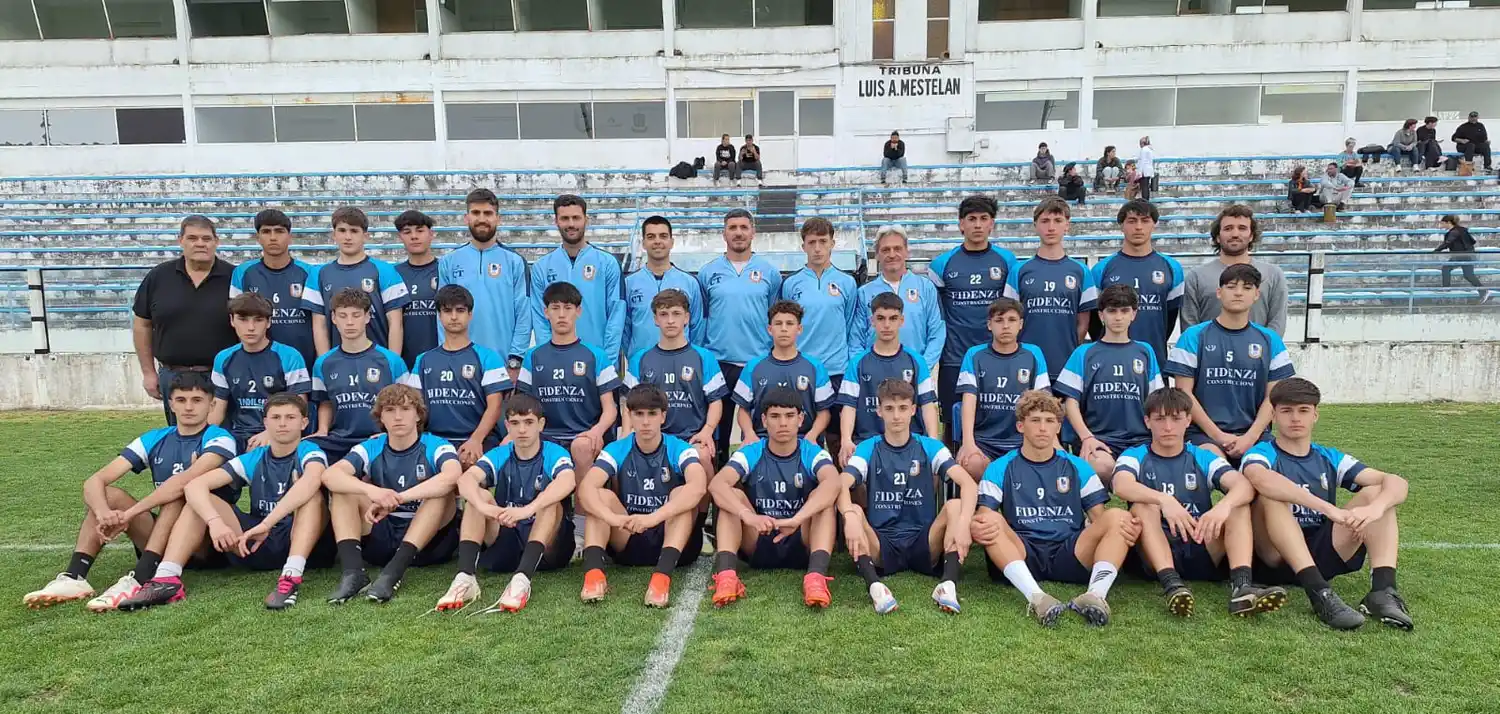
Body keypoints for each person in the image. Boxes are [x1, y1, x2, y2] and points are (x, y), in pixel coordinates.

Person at [22, 373, 237, 611]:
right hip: (163, 536)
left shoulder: (220, 438)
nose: (188, 407)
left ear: (212, 404)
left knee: (178, 497)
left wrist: (129, 515)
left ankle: (140, 578)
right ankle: (75, 577)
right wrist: (105, 513)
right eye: (181, 399)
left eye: (197, 400)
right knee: (110, 495)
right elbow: (95, 480)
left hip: (206, 541)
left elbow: (180, 484)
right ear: (170, 404)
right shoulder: (156, 438)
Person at [120, 393, 333, 610]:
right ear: (265, 422)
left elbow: (312, 479)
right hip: (254, 543)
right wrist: (215, 522)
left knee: (313, 497)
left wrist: (267, 523)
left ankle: (291, 577)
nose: (283, 423)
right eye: (276, 417)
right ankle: (167, 579)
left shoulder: (310, 451)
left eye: (290, 417)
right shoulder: (256, 457)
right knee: (200, 498)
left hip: (303, 543)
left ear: (304, 423)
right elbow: (194, 486)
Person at [1241, 378, 1413, 631]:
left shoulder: (1328, 457)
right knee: (1270, 495)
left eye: (1303, 410)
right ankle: (1319, 593)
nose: (1295, 418)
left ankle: (1383, 590)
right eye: (1286, 411)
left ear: (1315, 415)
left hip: (1321, 551)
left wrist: (1374, 508)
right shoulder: (1263, 452)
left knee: (1377, 492)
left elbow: (1396, 482)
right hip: (1272, 557)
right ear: (1274, 417)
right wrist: (1328, 508)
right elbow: (1259, 477)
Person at [1111, 387, 1287, 617]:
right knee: (1143, 506)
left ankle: (1241, 587)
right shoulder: (1135, 455)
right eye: (1160, 419)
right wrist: (1164, 500)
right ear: (1147, 421)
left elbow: (1243, 486)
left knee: (1237, 505)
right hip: (1151, 554)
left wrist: (1223, 507)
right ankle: (1172, 584)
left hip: (1199, 542)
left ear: (1188, 421)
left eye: (1176, 419)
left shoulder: (1202, 456)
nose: (1168, 427)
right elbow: (1120, 484)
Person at [974, 390, 1139, 626]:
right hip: (1023, 550)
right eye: (1035, 420)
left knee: (1118, 517)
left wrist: (1121, 530)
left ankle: (1095, 596)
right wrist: (978, 527)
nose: (1043, 428)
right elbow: (984, 518)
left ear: (1058, 427)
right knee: (989, 521)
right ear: (1020, 426)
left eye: (1050, 421)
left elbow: (1100, 519)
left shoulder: (1078, 467)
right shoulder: (1000, 467)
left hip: (1070, 552)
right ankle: (1037, 597)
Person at [839, 380, 977, 614]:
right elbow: (841, 483)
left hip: (923, 541)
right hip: (882, 544)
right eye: (890, 409)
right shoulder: (868, 447)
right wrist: (848, 516)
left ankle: (947, 585)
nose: (896, 416)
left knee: (954, 506)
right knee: (854, 510)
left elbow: (969, 485)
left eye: (903, 408)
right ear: (879, 411)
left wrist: (964, 524)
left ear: (913, 410)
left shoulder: (929, 446)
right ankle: (875, 587)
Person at [432, 394, 578, 614]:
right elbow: (465, 480)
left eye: (528, 422)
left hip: (548, 549)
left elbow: (568, 480)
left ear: (541, 424)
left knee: (551, 501)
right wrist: (485, 508)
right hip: (506, 539)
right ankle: (465, 577)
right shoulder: (501, 453)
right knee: (477, 496)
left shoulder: (554, 452)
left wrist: (528, 510)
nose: (522, 430)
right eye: (515, 423)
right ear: (507, 426)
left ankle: (522, 580)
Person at [321, 384, 465, 604]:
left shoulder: (436, 445)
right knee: (343, 490)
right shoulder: (372, 446)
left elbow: (453, 475)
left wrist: (398, 498)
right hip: (381, 532)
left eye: (405, 409)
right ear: (381, 417)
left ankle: (394, 572)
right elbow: (330, 475)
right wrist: (373, 491)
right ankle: (353, 573)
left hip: (429, 545)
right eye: (390, 410)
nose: (398, 417)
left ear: (418, 415)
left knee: (441, 493)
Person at [707, 387, 841, 608]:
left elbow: (834, 482)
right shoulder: (752, 451)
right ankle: (727, 576)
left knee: (823, 499)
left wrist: (797, 519)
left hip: (801, 537)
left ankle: (816, 577)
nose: (783, 423)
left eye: (789, 416)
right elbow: (717, 484)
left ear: (800, 420)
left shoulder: (811, 452)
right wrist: (749, 516)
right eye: (775, 416)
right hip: (759, 536)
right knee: (733, 495)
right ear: (764, 420)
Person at [577, 385, 709, 607]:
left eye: (652, 414)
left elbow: (698, 487)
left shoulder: (678, 447)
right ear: (629, 415)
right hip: (628, 535)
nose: (646, 422)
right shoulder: (616, 449)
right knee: (600, 495)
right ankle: (593, 575)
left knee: (681, 493)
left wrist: (653, 518)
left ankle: (661, 579)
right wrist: (613, 519)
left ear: (663, 417)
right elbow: (586, 488)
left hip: (674, 540)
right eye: (639, 414)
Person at [1167, 264, 1294, 463]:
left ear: (1256, 295)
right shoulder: (1193, 337)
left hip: (1255, 437)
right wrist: (1218, 436)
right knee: (1218, 468)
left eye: (1247, 287)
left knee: (1263, 481)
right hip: (1202, 436)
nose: (1238, 293)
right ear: (1219, 292)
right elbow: (1183, 393)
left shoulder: (1271, 341)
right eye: (1231, 286)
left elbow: (1274, 397)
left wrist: (1250, 438)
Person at [929, 195, 1019, 448]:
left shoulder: (1007, 262)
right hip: (955, 358)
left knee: (1002, 418)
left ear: (992, 224)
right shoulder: (941, 264)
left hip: (998, 357)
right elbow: (937, 315)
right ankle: (952, 480)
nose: (977, 225)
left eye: (983, 219)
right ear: (961, 224)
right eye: (971, 219)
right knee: (950, 421)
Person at [133, 215, 237, 424]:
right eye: (192, 238)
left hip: (222, 378)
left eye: (206, 238)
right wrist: (148, 373)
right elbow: (142, 324)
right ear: (180, 240)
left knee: (223, 441)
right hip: (173, 376)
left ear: (216, 242)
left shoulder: (235, 277)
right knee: (181, 440)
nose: (200, 243)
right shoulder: (158, 277)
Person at [1055, 284, 1163, 484]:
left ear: (1134, 314)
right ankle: (1096, 513)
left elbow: (1156, 402)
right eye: (1112, 311)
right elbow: (1070, 402)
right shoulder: (1084, 353)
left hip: (1140, 441)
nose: (1118, 317)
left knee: (1154, 474)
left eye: (1124, 311)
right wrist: (1087, 438)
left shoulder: (1145, 352)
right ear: (1101, 315)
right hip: (1098, 439)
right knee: (1102, 467)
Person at [698, 208, 784, 460]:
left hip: (756, 362)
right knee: (717, 435)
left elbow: (774, 316)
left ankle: (755, 486)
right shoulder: (707, 272)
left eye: (744, 227)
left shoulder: (770, 273)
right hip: (718, 362)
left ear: (753, 232)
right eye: (732, 228)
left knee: (758, 431)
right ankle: (715, 487)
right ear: (724, 233)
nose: (738, 233)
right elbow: (703, 316)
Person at [516, 282, 621, 481]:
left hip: (583, 435)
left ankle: (582, 512)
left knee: (581, 446)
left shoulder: (596, 355)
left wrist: (596, 431)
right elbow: (522, 406)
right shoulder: (533, 356)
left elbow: (610, 408)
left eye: (568, 308)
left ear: (578, 312)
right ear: (546, 312)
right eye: (555, 308)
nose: (562, 315)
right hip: (544, 435)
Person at [403, 285, 510, 469]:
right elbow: (413, 406)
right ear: (439, 315)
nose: (453, 317)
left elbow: (495, 406)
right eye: (447, 311)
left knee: (470, 478)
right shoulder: (424, 360)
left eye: (460, 311)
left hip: (476, 438)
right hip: (433, 440)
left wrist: (476, 439)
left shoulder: (488, 357)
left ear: (470, 315)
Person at [781, 218, 858, 457]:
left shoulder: (847, 282)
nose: (817, 248)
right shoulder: (791, 284)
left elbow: (849, 323)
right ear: (803, 246)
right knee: (803, 437)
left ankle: (841, 490)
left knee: (838, 439)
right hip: (802, 370)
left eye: (823, 241)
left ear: (832, 243)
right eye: (812, 242)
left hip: (836, 370)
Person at [307, 288, 410, 465]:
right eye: (343, 315)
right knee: (306, 449)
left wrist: (391, 431)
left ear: (367, 317)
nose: (349, 322)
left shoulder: (391, 360)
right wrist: (323, 429)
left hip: (380, 438)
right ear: (333, 318)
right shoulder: (323, 363)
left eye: (356, 315)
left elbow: (407, 404)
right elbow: (324, 402)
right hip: (340, 440)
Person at [623, 289, 726, 463]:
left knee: (702, 455)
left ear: (686, 318)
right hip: (652, 437)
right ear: (656, 319)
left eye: (676, 314)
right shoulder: (640, 359)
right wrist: (626, 433)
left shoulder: (704, 357)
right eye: (664, 314)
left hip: (691, 438)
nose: (670, 321)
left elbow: (715, 401)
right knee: (622, 457)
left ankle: (707, 491)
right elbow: (627, 402)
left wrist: (707, 430)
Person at [838, 292, 940, 466]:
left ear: (902, 321)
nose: (886, 325)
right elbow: (849, 406)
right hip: (867, 442)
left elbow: (927, 405)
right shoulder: (858, 363)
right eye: (881, 318)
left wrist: (932, 441)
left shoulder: (916, 361)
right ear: (872, 321)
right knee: (852, 470)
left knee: (932, 469)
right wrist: (846, 440)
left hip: (910, 442)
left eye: (893, 318)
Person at [437, 188, 531, 377]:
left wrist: (515, 360)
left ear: (498, 218)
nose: (482, 219)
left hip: (503, 366)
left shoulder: (514, 261)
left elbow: (524, 313)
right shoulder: (449, 262)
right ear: (466, 218)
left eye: (488, 213)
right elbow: (442, 315)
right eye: (476, 213)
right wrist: (446, 355)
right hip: (459, 364)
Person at [955, 298, 1050, 479]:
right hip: (984, 442)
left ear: (1021, 324)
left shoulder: (1033, 354)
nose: (1005, 326)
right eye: (999, 320)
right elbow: (968, 401)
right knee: (972, 464)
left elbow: (1043, 403)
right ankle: (981, 506)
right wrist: (968, 442)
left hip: (1023, 440)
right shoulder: (975, 355)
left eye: (1011, 320)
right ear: (989, 325)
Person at [1006, 197, 1097, 384]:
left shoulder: (1081, 272)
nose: (1051, 227)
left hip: (1066, 365)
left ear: (1067, 225)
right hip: (1026, 365)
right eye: (1045, 221)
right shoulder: (1019, 270)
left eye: (1057, 221)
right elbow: (1010, 318)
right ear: (1035, 225)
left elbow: (1083, 323)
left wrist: (1070, 353)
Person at [209, 293, 312, 452]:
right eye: (243, 320)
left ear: (269, 322)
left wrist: (270, 432)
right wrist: (204, 438)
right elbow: (217, 410)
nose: (250, 327)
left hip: (279, 433)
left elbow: (299, 406)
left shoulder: (289, 356)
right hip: (237, 434)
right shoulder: (223, 358)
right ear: (232, 321)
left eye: (258, 320)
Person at [301, 207, 410, 357]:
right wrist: (325, 363)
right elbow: (319, 326)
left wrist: (393, 362)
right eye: (342, 230)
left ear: (365, 236)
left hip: (378, 362)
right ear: (334, 235)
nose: (347, 237)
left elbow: (395, 323)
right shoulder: (318, 274)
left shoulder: (385, 271)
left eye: (354, 231)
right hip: (337, 364)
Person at [1091, 200, 1184, 370]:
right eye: (1132, 221)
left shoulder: (1172, 268)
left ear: (1154, 224)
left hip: (1155, 361)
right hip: (1109, 362)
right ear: (1121, 225)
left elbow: (1169, 318)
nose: (1138, 227)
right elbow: (1095, 320)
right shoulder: (1102, 269)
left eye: (1145, 220)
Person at [530, 194, 625, 360]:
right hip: (556, 361)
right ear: (556, 221)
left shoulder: (607, 263)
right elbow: (540, 318)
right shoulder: (541, 267)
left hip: (597, 360)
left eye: (576, 218)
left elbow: (616, 316)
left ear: (586, 220)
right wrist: (549, 357)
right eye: (565, 218)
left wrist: (607, 361)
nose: (571, 224)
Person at [732, 300, 835, 444]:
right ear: (770, 329)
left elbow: (824, 412)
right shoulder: (753, 367)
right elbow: (743, 410)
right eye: (778, 324)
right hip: (761, 440)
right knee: (733, 466)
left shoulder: (815, 367)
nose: (784, 329)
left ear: (799, 329)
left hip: (803, 439)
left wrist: (812, 436)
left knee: (827, 467)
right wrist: (749, 434)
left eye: (790, 324)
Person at [1180, 205, 1290, 335]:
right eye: (1228, 228)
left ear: (1251, 236)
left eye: (1242, 228)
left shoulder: (1273, 275)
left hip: (1259, 353)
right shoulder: (1196, 277)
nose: (1235, 234)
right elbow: (1190, 326)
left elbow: (1277, 322)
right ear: (1217, 237)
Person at [230, 209, 317, 368]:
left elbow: (319, 322)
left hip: (302, 363)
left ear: (290, 237)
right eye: (266, 232)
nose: (273, 237)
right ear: (258, 238)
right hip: (257, 363)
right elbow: (237, 318)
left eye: (279, 231)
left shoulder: (309, 273)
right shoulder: (242, 273)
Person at [851, 225, 943, 373]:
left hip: (915, 372)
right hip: (875, 373)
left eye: (897, 248)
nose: (892, 254)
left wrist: (923, 367)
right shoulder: (864, 292)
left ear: (907, 251)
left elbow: (937, 332)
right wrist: (864, 369)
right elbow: (856, 339)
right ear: (877, 255)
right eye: (885, 250)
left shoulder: (926, 287)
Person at [623, 216, 705, 359]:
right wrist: (633, 357)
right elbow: (625, 328)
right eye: (651, 237)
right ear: (643, 243)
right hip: (642, 364)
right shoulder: (629, 283)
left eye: (663, 236)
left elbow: (697, 328)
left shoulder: (690, 283)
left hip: (682, 363)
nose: (657, 241)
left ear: (671, 242)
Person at [394, 210, 440, 367]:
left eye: (420, 231)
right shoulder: (394, 275)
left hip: (442, 358)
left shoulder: (445, 270)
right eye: (407, 232)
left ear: (431, 234)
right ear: (400, 237)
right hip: (406, 362)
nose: (414, 236)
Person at [1435, 214, 1488, 301]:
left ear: (1448, 223)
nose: (1441, 225)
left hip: (1461, 255)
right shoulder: (1461, 230)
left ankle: (1446, 288)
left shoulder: (1454, 232)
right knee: (1468, 275)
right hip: (1466, 255)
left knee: (1446, 268)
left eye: (1443, 223)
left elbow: (1448, 243)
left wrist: (1436, 251)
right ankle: (1483, 291)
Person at [1135, 136, 1156, 201]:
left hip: (1144, 171)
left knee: (1144, 187)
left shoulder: (1144, 150)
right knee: (1146, 186)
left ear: (1142, 143)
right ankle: (1146, 200)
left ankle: (1145, 200)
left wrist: (1139, 173)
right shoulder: (1150, 149)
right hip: (1148, 170)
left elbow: (1142, 161)